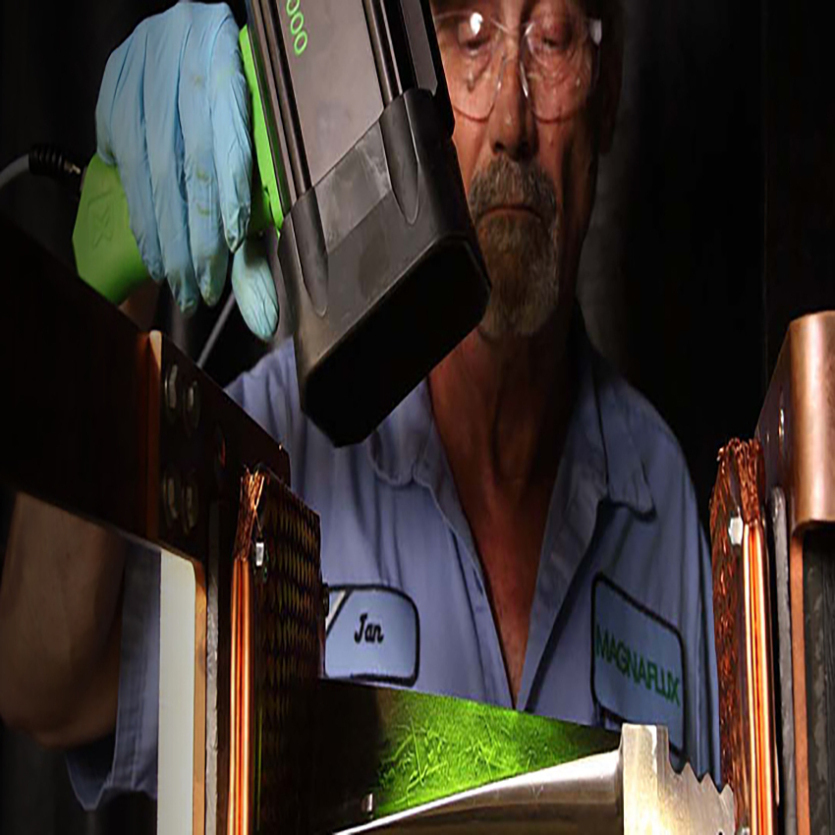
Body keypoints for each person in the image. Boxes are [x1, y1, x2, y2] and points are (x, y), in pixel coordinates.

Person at [0, 0, 720, 810]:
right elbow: (44, 682)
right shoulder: (266, 447)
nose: (513, 118)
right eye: (468, 34)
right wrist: (109, 309)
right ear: (405, 72)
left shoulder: (658, 485)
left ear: (608, 92)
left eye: (553, 40)